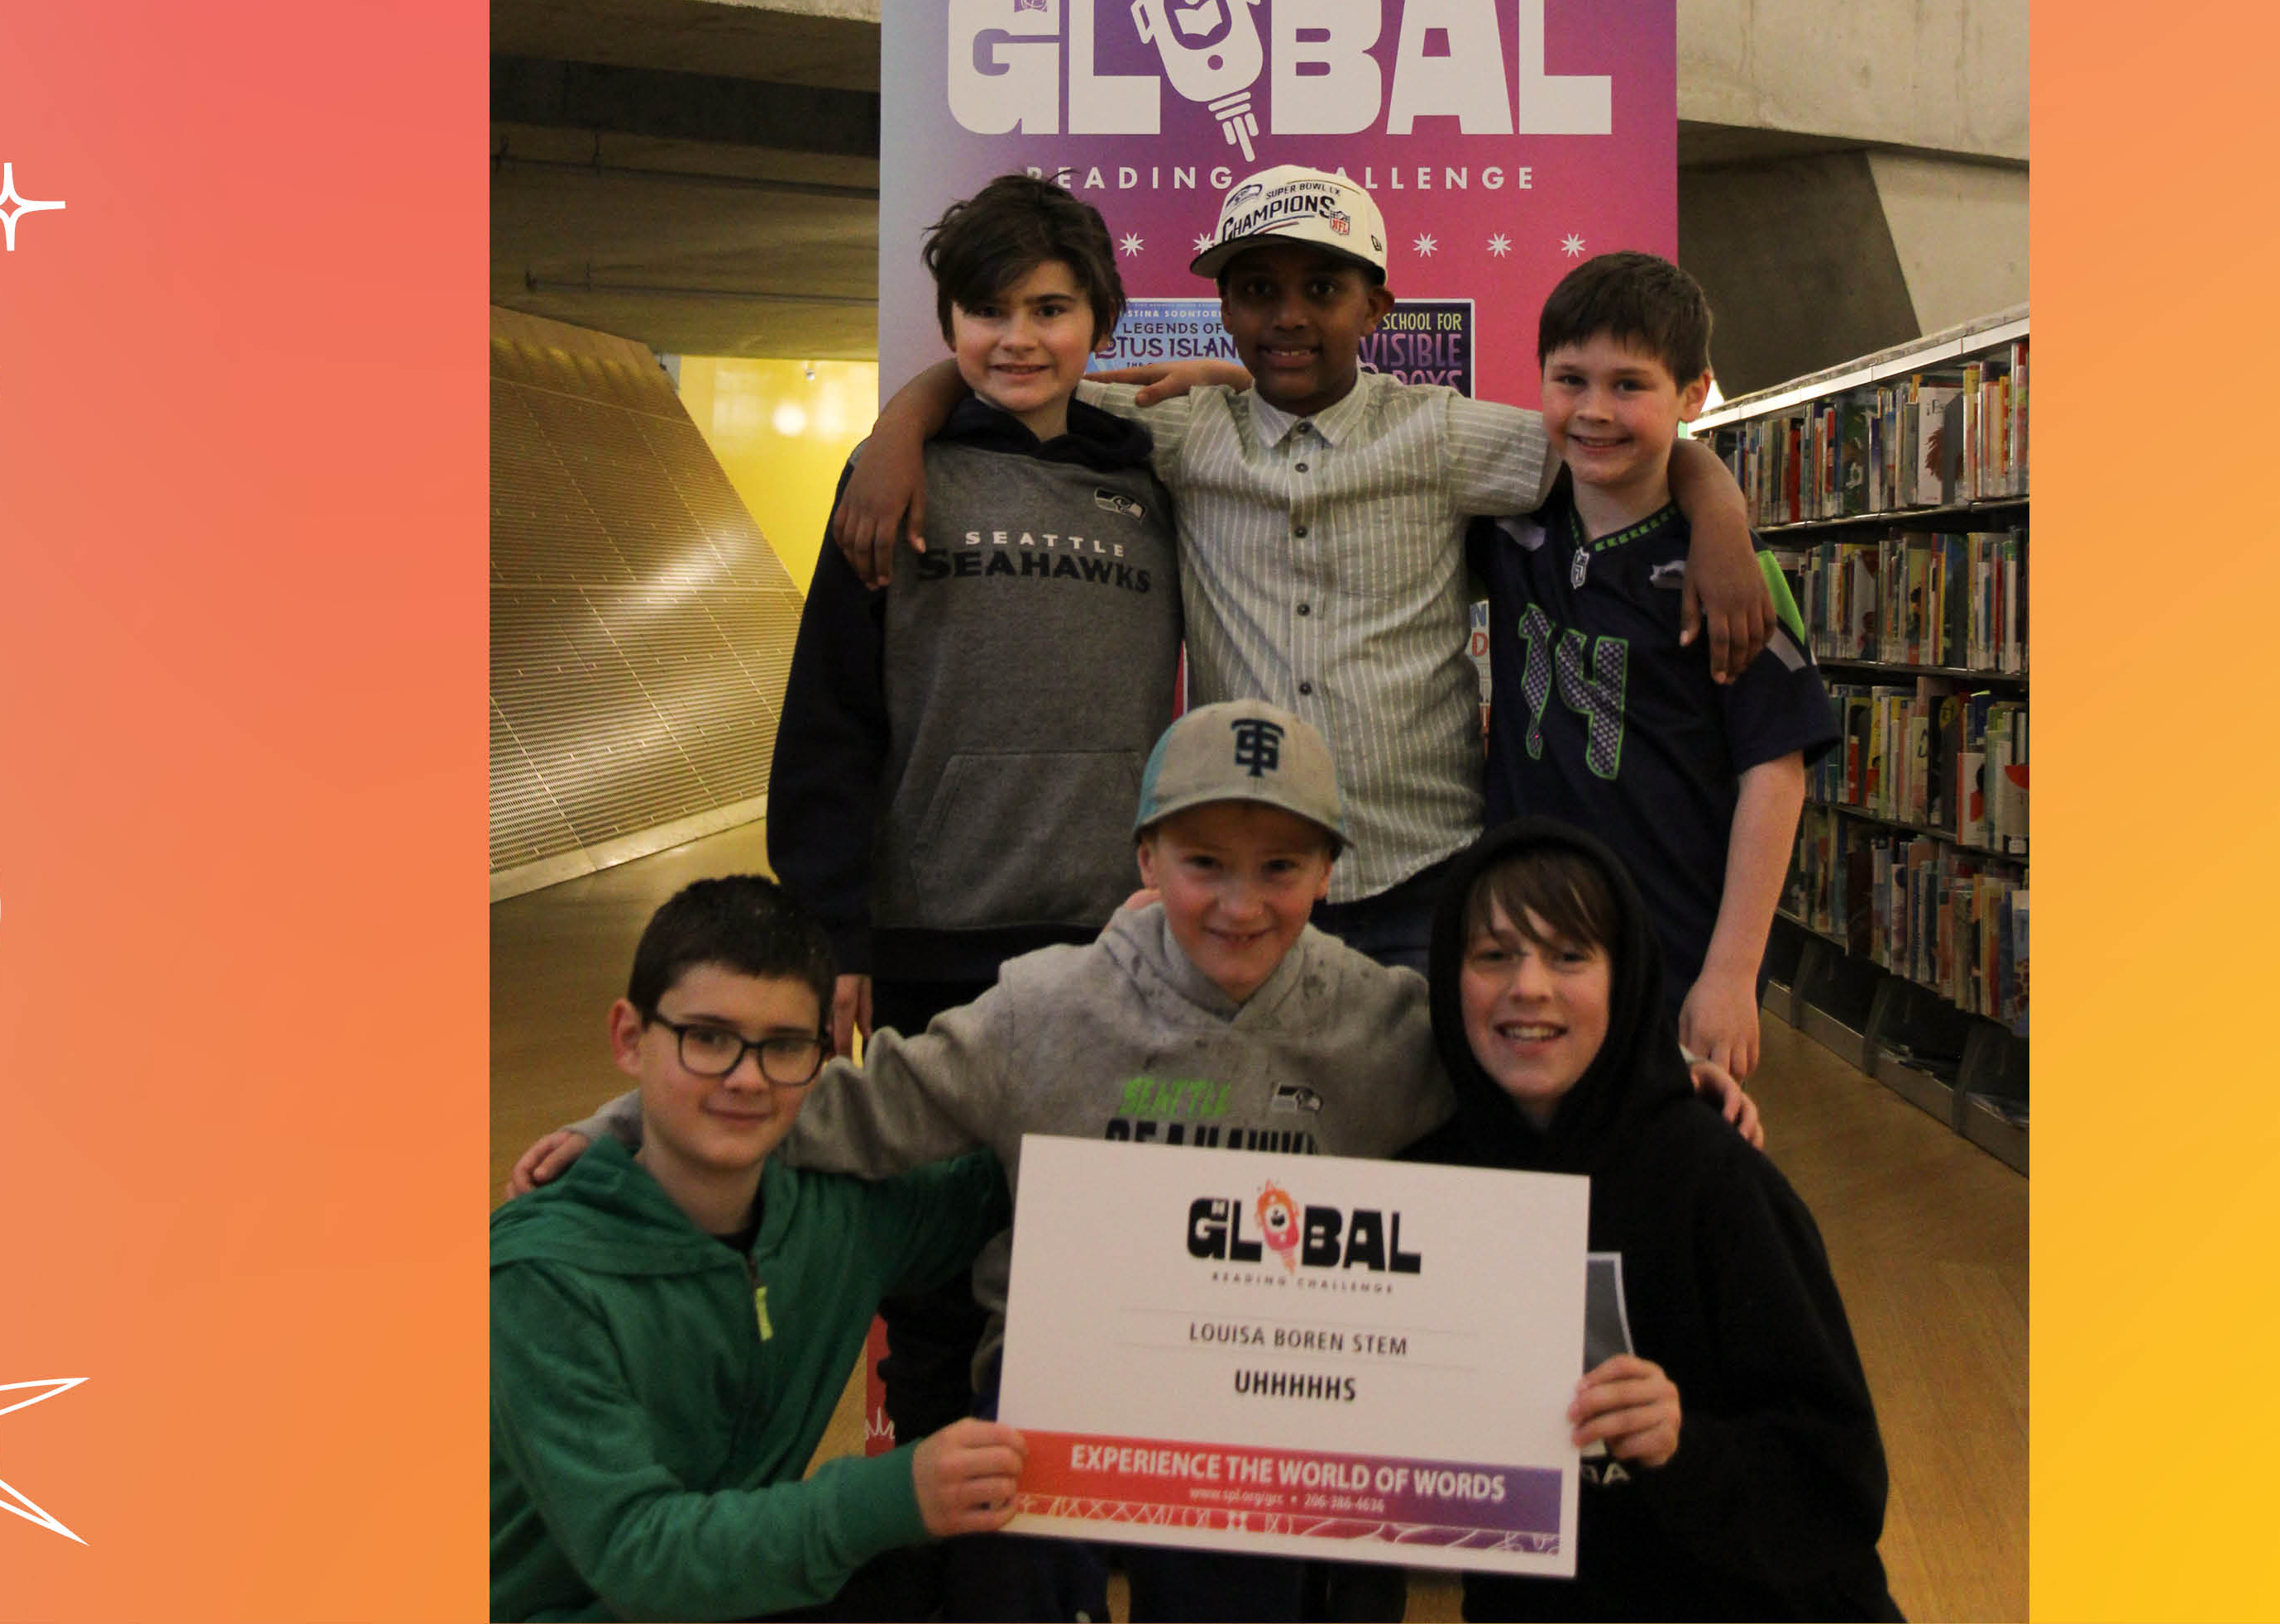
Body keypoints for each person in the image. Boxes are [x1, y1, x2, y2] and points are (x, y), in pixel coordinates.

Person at [509, 705, 1766, 1620]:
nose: (1238, 901)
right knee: (1007, 1580)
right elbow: (826, 1099)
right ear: (1144, 860)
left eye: (1280, 867)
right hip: (1052, 1422)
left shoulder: (1391, 1027)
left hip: (1281, 1425)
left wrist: (1668, 1074)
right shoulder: (1040, 1012)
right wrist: (624, 1122)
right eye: (1202, 864)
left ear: (1331, 873)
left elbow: (1534, 1075)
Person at [832, 166, 1775, 972]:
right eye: (1255, 290)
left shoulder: (1441, 434)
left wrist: (1718, 511)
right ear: (1223, 306)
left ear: (1376, 307)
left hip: (1426, 874)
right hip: (1248, 883)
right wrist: (900, 425)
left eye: (1322, 289)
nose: (1287, 316)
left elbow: (1604, 441)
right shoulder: (1178, 431)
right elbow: (1015, 366)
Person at [771, 172, 1183, 1475]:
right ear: (946, 320)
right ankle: (950, 1524)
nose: (1018, 336)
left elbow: (1260, 411)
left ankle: (1085, 1510)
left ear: (1099, 321)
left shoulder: (1150, 470)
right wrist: (831, 931)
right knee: (937, 1270)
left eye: (1050, 308)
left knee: (1095, 1260)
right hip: (930, 937)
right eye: (983, 309)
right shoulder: (892, 477)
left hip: (1107, 946)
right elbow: (828, 719)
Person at [489, 876, 1025, 1623]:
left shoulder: (833, 1217)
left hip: (734, 1593)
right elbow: (638, 1553)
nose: (746, 1078)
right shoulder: (539, 1280)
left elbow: (1002, 1183)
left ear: (823, 1056)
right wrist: (897, 1492)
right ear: (629, 1038)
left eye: (782, 1046)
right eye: (707, 1037)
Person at [1407, 820, 1900, 1622]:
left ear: (1625, 979)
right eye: (1492, 954)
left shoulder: (1717, 1180)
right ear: (1445, 978)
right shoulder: (1426, 1183)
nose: (1527, 985)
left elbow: (1836, 1484)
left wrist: (1683, 1446)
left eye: (1569, 956)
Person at [1478, 251, 1839, 1078]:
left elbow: (1774, 776)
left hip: (1666, 949)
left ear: (1690, 392)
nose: (1593, 410)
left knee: (1664, 1182)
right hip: (1519, 941)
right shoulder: (1509, 524)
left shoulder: (1729, 583)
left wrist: (1730, 973)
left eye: (1628, 385)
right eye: (1569, 379)